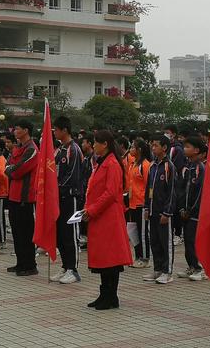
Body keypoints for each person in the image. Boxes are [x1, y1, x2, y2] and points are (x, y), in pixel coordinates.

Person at [82, 129, 133, 310]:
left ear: (105, 144)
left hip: (108, 217)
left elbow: (111, 193)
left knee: (111, 259)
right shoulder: (102, 162)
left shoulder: (112, 164)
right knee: (104, 258)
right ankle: (105, 294)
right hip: (100, 216)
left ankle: (111, 297)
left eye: (96, 142)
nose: (93, 145)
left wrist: (92, 209)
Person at [50, 116, 84, 284]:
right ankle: (65, 266)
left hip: (72, 197)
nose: (54, 132)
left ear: (64, 130)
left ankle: (74, 270)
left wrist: (58, 187)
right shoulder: (59, 150)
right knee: (61, 235)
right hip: (59, 198)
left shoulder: (74, 149)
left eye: (56, 129)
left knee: (71, 234)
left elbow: (72, 175)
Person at [5, 119, 39, 276]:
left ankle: (30, 265)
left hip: (25, 197)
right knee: (17, 232)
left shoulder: (32, 149)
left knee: (26, 233)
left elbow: (19, 170)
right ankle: (20, 263)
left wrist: (11, 169)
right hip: (13, 195)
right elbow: (8, 166)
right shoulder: (17, 148)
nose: (15, 131)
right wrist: (11, 169)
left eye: (17, 129)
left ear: (26, 130)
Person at [143, 134, 177, 284]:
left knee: (165, 242)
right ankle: (157, 269)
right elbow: (148, 188)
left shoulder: (169, 166)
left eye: (156, 145)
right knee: (154, 241)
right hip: (152, 210)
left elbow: (172, 190)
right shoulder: (152, 166)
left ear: (164, 147)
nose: (153, 147)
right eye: (152, 145)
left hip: (164, 212)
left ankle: (167, 271)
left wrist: (167, 211)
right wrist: (146, 207)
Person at [176, 136, 206, 281]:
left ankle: (200, 268)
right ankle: (192, 266)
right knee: (187, 240)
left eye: (188, 147)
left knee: (193, 240)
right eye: (184, 146)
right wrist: (181, 208)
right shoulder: (186, 167)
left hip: (195, 212)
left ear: (197, 150)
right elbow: (180, 190)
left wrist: (191, 209)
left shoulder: (200, 168)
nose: (184, 149)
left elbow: (199, 191)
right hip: (185, 211)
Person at [126, 138, 151, 268]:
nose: (130, 149)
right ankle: (137, 256)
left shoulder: (145, 165)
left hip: (141, 203)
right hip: (132, 203)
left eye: (133, 147)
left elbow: (149, 186)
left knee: (142, 232)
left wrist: (148, 203)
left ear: (139, 149)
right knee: (133, 231)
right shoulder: (133, 164)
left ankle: (145, 258)